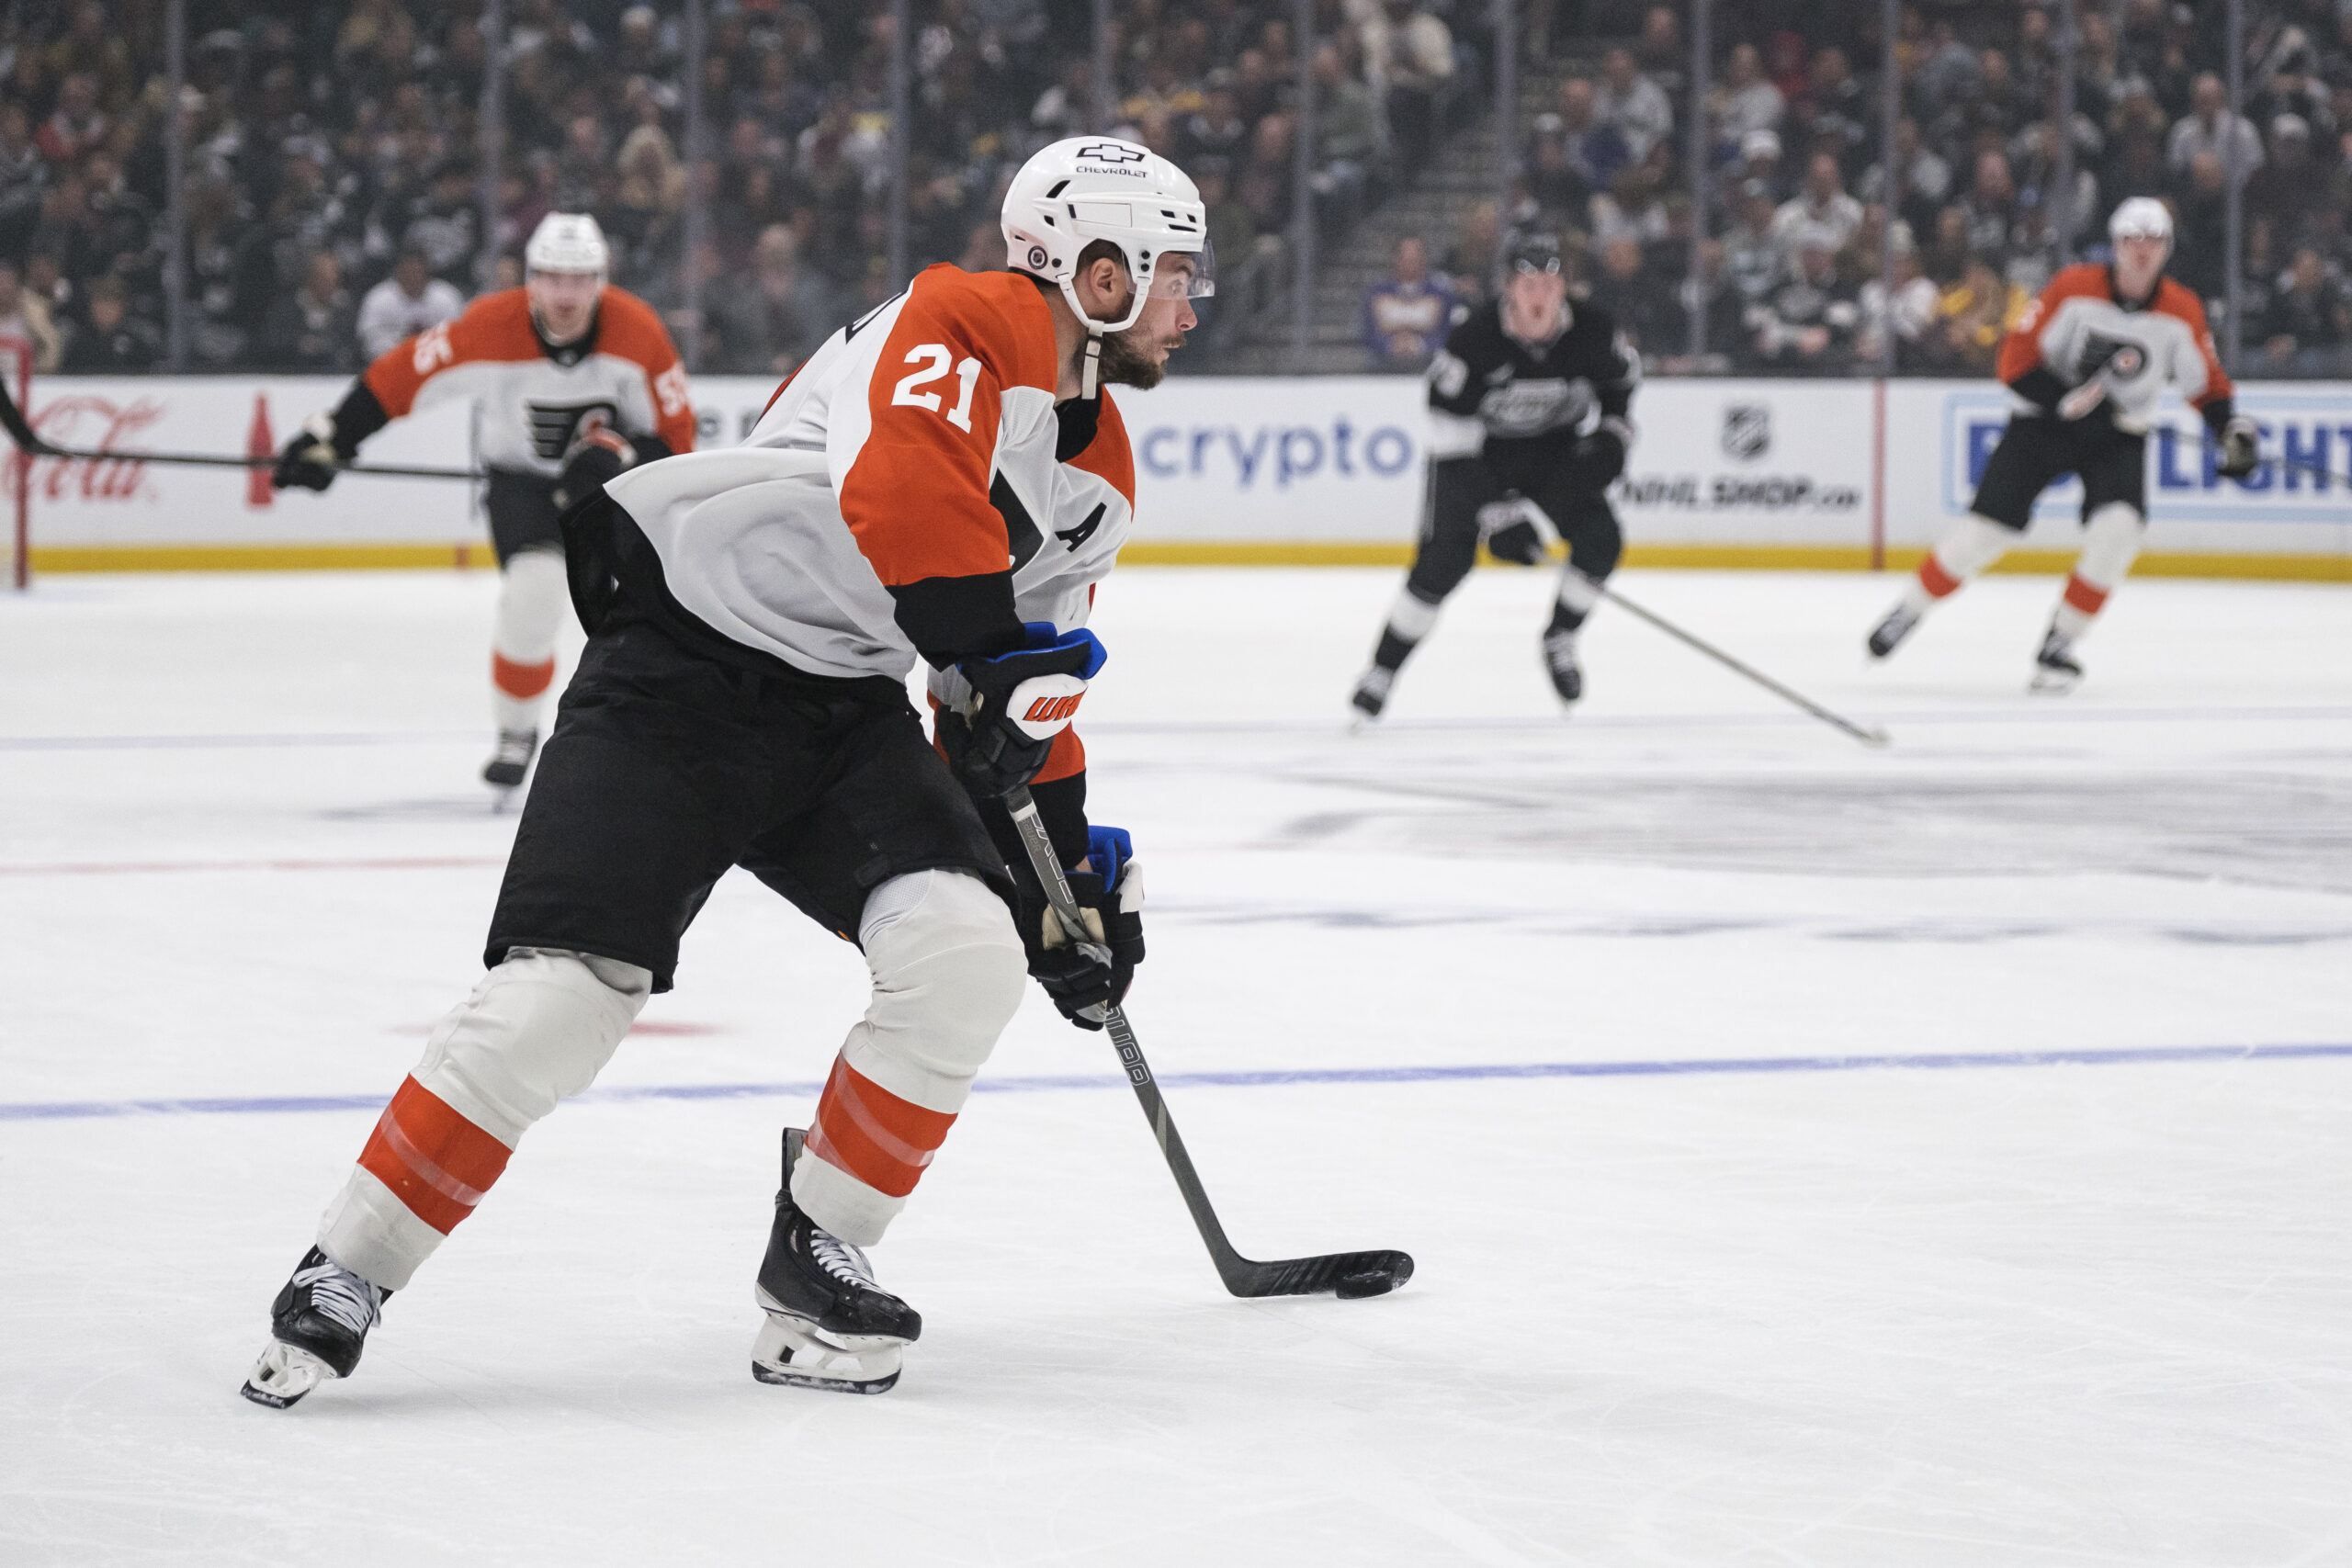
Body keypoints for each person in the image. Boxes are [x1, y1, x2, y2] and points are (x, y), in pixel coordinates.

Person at [239, 136, 1211, 1409]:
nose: (1194, 307)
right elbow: (910, 498)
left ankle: (816, 1253)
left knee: (971, 949)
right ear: (1096, 272)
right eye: (1176, 274)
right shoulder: (958, 320)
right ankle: (348, 1263)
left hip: (840, 711)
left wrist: (1064, 888)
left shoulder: (1099, 478)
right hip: (684, 669)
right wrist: (983, 674)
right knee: (565, 997)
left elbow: (1024, 691)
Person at [271, 213, 695, 789]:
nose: (566, 295)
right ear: (530, 279)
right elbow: (399, 378)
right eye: (551, 277)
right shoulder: (488, 328)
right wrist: (331, 438)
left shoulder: (639, 333)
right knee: (534, 594)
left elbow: (675, 440)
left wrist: (619, 455)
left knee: (648, 614)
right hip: (521, 481)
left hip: (611, 492)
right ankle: (517, 731)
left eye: (580, 279)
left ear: (601, 280)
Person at [1865, 198, 2257, 692]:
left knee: (2119, 530)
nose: (2142, 252)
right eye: (2132, 241)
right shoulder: (2073, 289)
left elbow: (2207, 385)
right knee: (1986, 532)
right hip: (2044, 424)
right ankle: (1909, 610)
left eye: (2153, 241)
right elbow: (2015, 360)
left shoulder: (2182, 310)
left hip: (2117, 433)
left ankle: (2061, 642)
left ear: (2167, 250)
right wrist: (2062, 397)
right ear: (2115, 246)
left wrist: (2230, 430)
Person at [1350, 231, 1638, 719]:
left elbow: (1621, 384)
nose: (1540, 295)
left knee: (1601, 540)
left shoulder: (1594, 330)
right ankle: (1383, 669)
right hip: (1476, 457)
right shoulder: (1475, 338)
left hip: (1555, 454)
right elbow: (1447, 428)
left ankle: (1560, 638)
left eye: (1551, 283)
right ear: (1508, 288)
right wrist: (1495, 510)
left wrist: (1611, 436)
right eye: (1529, 284)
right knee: (1441, 567)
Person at [1362, 235, 1457, 369]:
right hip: (1383, 363)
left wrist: (1420, 345)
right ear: (1395, 259)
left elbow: (1446, 332)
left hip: (1429, 362)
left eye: (1415, 257)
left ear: (1424, 259)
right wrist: (1391, 345)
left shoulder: (1440, 295)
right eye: (1405, 256)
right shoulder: (1377, 293)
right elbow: (1369, 332)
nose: (1410, 261)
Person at [356, 247, 465, 361]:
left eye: (418, 273)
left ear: (427, 274)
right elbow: (368, 339)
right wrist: (404, 342)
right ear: (397, 273)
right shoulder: (379, 298)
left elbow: (457, 337)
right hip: (391, 363)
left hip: (438, 364)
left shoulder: (446, 297)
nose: (413, 278)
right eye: (408, 273)